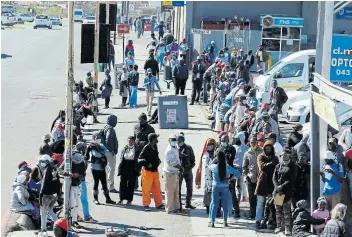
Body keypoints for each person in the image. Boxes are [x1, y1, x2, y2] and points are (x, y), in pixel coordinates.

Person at [208, 151, 241, 227]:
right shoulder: (227, 167)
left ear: (217, 158)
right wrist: (231, 178)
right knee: (225, 204)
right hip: (225, 187)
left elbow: (209, 166)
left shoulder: (214, 167)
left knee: (214, 204)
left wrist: (214, 160)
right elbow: (238, 173)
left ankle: (212, 222)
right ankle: (225, 222)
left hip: (215, 186)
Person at [255, 140, 279, 229]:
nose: (268, 150)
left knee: (271, 203)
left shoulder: (275, 157)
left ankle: (270, 220)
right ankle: (258, 220)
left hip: (272, 183)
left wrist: (272, 163)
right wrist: (270, 163)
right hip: (262, 183)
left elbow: (277, 167)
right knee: (260, 203)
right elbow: (262, 167)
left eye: (270, 148)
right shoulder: (260, 156)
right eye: (266, 148)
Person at [272, 151, 297, 235]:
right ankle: (279, 226)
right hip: (278, 192)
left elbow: (291, 179)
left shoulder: (292, 166)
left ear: (289, 155)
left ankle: (287, 228)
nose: (284, 156)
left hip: (287, 192)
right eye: (282, 155)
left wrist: (282, 186)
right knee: (278, 211)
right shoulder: (278, 165)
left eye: (286, 155)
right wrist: (277, 186)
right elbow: (274, 177)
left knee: (286, 211)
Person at [138, 133, 164, 211]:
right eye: (156, 138)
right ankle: (146, 204)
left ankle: (159, 204)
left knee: (157, 189)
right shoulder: (146, 148)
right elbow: (139, 159)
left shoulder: (155, 146)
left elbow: (156, 156)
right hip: (147, 172)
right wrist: (147, 164)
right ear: (152, 140)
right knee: (146, 189)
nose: (157, 140)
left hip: (155, 171)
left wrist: (158, 161)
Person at [39, 155, 60, 235]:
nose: (41, 163)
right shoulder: (54, 168)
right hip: (54, 195)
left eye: (43, 161)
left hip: (46, 195)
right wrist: (58, 194)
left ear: (47, 161)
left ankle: (43, 230)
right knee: (50, 211)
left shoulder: (47, 169)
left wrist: (41, 195)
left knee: (43, 212)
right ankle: (60, 225)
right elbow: (58, 182)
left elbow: (44, 183)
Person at [195, 138, 216, 214]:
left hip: (214, 177)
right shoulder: (204, 154)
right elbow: (201, 167)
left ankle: (215, 209)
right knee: (207, 193)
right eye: (208, 145)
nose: (210, 147)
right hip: (206, 178)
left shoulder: (216, 154)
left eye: (211, 145)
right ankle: (208, 208)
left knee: (214, 194)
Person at [243, 136, 262, 220]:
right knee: (252, 197)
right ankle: (252, 214)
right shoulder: (247, 153)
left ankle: (260, 214)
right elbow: (244, 166)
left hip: (260, 178)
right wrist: (246, 175)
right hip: (251, 178)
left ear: (257, 142)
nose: (253, 144)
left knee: (260, 198)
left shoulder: (261, 151)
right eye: (251, 142)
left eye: (254, 142)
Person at [118, 136, 140, 205]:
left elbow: (138, 159)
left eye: (131, 141)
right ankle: (121, 199)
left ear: (134, 142)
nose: (130, 142)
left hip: (132, 167)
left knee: (131, 184)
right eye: (129, 141)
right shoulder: (124, 148)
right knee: (122, 183)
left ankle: (129, 200)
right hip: (124, 166)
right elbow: (121, 158)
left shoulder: (136, 149)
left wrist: (138, 169)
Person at [163, 134, 183, 213]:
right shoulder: (169, 150)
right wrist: (180, 167)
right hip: (170, 173)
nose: (174, 141)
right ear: (169, 141)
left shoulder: (175, 148)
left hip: (175, 173)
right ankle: (169, 209)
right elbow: (172, 162)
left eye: (175, 140)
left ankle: (176, 207)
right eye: (172, 140)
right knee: (170, 192)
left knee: (175, 191)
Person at [177, 133, 196, 209]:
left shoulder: (188, 148)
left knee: (190, 187)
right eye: (178, 140)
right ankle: (179, 204)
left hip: (188, 170)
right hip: (179, 171)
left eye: (180, 140)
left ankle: (188, 202)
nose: (179, 141)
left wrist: (190, 167)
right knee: (178, 188)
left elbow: (193, 159)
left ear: (183, 140)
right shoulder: (175, 148)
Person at [101, 115, 119, 193]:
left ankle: (104, 186)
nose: (116, 123)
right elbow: (108, 139)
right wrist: (111, 149)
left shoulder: (105, 127)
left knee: (106, 169)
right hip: (109, 152)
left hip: (104, 151)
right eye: (115, 121)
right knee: (111, 169)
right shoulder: (110, 129)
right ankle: (111, 187)